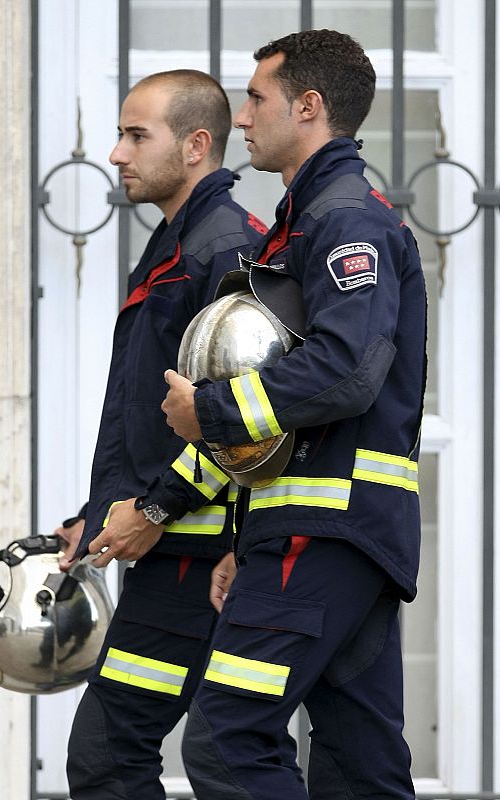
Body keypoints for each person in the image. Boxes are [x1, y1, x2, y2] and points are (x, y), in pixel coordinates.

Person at [162, 30, 427, 800]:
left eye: (254, 98)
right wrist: (246, 537)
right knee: (357, 767)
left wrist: (207, 411)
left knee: (226, 741)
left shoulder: (346, 221)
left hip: (325, 532)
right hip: (318, 533)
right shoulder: (310, 217)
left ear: (307, 107)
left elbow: (344, 372)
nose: (240, 119)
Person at [57, 69, 267, 799]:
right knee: (135, 753)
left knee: (117, 754)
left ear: (195, 146)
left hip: (199, 556)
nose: (117, 153)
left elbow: (242, 419)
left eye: (135, 135)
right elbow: (143, 416)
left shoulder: (225, 250)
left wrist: (152, 510)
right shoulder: (180, 245)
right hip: (171, 547)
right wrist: (102, 510)